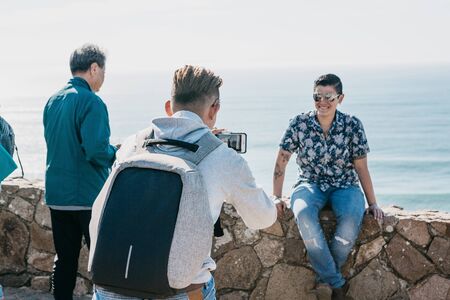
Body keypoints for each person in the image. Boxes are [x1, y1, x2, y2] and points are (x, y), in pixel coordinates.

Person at [92, 65, 280, 300]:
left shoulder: (133, 144)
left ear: (169, 107)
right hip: (179, 290)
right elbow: (261, 218)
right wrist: (274, 201)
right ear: (214, 109)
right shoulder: (223, 158)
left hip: (114, 283)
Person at [272, 74, 384, 300]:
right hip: (309, 184)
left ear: (340, 98)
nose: (322, 102)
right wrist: (276, 196)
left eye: (328, 97)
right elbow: (282, 159)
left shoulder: (352, 125)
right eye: (317, 96)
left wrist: (373, 203)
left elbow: (361, 168)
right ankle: (337, 285)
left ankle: (326, 281)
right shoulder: (299, 123)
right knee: (303, 215)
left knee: (350, 223)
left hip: (346, 186)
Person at [43, 44, 117, 300]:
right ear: (94, 68)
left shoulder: (52, 101)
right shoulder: (92, 102)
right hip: (87, 197)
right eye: (104, 72)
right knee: (102, 262)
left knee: (64, 260)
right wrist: (114, 154)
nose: (103, 79)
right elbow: (96, 149)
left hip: (57, 196)